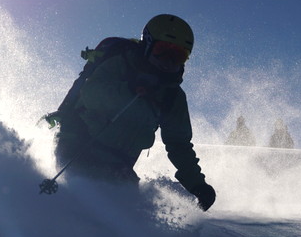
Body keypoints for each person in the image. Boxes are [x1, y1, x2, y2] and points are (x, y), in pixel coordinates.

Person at [52, 14, 216, 211]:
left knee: (128, 210)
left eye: (178, 55)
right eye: (162, 50)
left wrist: (196, 184)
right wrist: (129, 88)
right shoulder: (121, 65)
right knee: (77, 199)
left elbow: (178, 143)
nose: (168, 61)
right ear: (147, 44)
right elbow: (91, 93)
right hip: (79, 144)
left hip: (118, 162)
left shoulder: (172, 95)